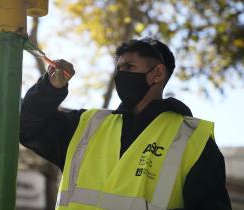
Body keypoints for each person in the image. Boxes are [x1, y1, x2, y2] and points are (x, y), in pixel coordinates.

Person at [20, 37, 231, 210]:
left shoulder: (193, 138)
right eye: (118, 68)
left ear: (157, 73)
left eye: (129, 66)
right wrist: (50, 88)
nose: (120, 75)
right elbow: (28, 126)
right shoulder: (86, 126)